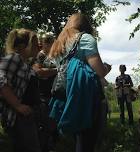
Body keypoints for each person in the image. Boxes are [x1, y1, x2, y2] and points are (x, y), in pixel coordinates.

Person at [48, 12, 111, 152]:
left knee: (78, 137)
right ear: (85, 25)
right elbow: (99, 71)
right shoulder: (85, 38)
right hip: (84, 96)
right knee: (88, 139)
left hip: (65, 94)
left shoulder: (59, 43)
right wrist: (107, 67)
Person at [0, 28, 41, 152]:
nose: (38, 46)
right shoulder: (14, 58)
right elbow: (1, 81)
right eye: (34, 43)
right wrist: (18, 105)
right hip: (16, 118)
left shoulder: (25, 64)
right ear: (24, 46)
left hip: (26, 116)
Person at [32, 33, 58, 152]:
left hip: (53, 94)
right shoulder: (40, 56)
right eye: (51, 43)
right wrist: (57, 70)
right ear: (46, 44)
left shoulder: (52, 57)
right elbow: (39, 72)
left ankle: (51, 144)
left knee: (52, 124)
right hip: (42, 95)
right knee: (45, 125)